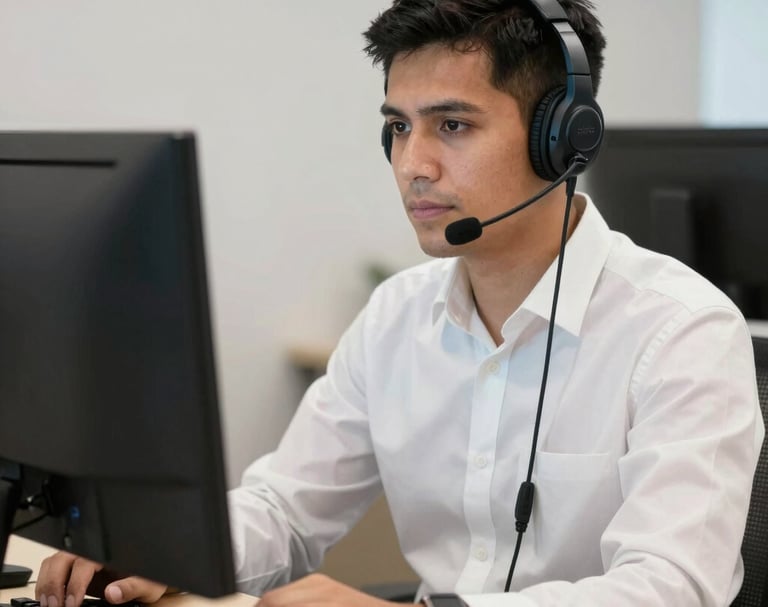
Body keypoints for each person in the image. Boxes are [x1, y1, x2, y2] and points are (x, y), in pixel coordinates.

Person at [35, 1, 763, 606]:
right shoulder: (397, 315)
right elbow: (285, 508)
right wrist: (165, 555)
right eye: (398, 126)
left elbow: (670, 587)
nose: (412, 164)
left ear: (561, 142)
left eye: (452, 125)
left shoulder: (680, 330)